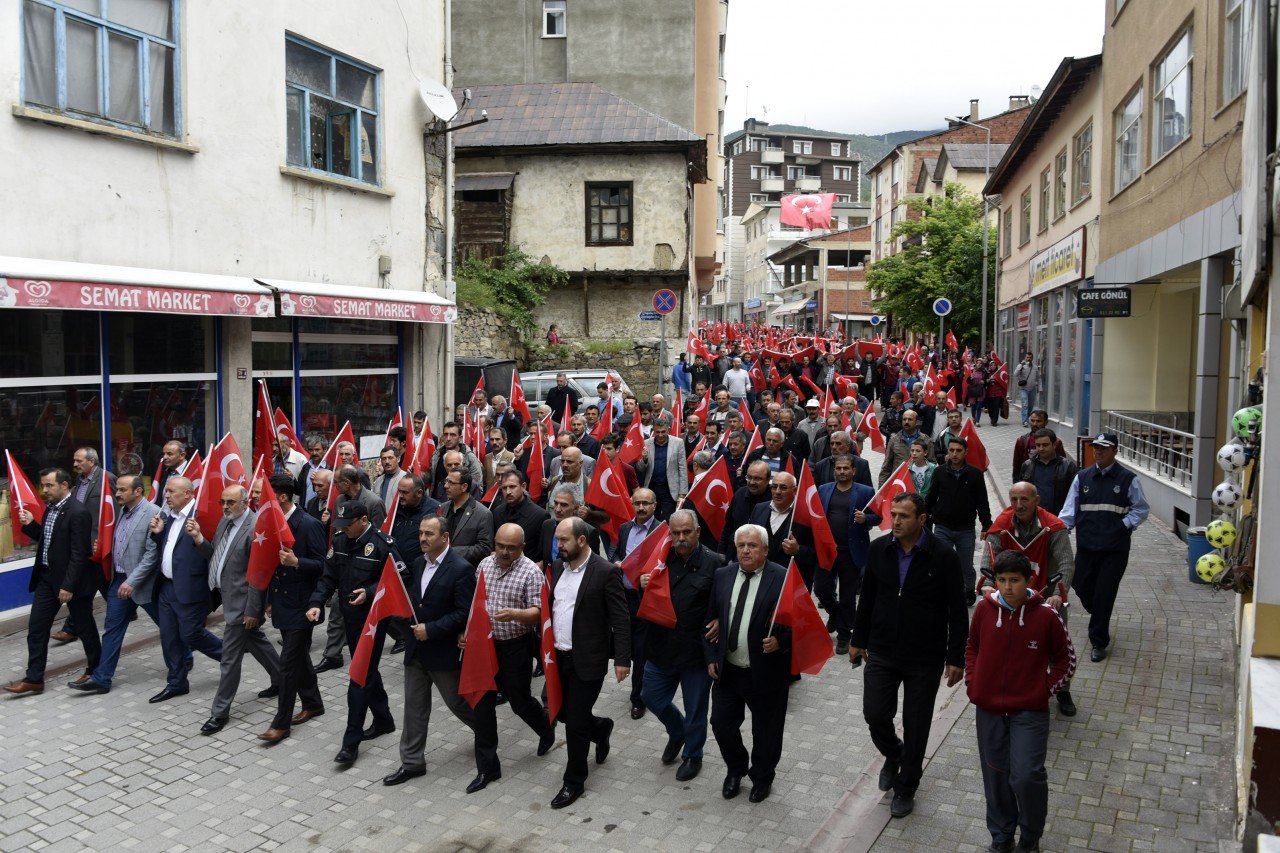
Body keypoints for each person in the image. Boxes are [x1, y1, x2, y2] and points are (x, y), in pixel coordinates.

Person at [851, 493, 967, 819]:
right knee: (874, 713)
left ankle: (906, 787)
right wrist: (858, 640)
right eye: (894, 515)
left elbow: (958, 611)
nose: (897, 521)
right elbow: (868, 598)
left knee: (917, 725)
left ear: (922, 519)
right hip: (882, 650)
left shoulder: (943, 555)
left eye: (904, 516)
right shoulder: (879, 549)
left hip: (925, 657)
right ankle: (893, 751)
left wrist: (955, 657)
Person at [966, 550, 1075, 853]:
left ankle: (1030, 837)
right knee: (996, 777)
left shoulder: (1046, 616)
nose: (1007, 587)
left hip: (1030, 711)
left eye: (1014, 580)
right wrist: (973, 683)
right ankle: (1002, 836)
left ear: (1029, 581)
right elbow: (972, 647)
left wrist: (1044, 691)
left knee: (1026, 775)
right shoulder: (985, 611)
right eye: (1001, 580)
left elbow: (1066, 660)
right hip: (988, 709)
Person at [382, 516, 484, 789]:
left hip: (442, 650)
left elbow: (465, 612)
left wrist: (433, 629)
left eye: (429, 534)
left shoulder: (461, 569)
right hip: (417, 649)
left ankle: (487, 732)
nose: (423, 538)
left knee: (457, 702)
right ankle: (412, 762)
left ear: (445, 537)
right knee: (414, 708)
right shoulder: (418, 563)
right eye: (421, 533)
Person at [458, 523, 557, 791]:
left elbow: (540, 612)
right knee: (482, 705)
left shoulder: (531, 572)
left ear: (522, 548)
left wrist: (515, 614)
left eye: (510, 548)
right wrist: (465, 632)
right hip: (484, 646)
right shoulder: (484, 566)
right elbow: (474, 604)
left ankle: (545, 727)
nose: (503, 552)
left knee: (519, 700)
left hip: (516, 645)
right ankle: (488, 768)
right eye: (500, 546)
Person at [306, 502, 400, 766]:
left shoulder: (383, 545)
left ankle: (351, 742)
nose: (343, 530)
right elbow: (328, 577)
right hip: (350, 619)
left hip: (373, 621)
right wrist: (315, 603)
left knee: (359, 676)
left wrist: (369, 592)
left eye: (348, 525)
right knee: (368, 672)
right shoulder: (340, 540)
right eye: (340, 525)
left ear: (363, 520)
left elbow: (400, 580)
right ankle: (383, 720)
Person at [547, 518, 632, 809]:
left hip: (588, 660)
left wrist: (622, 659)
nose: (558, 546)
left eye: (563, 541)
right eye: (557, 540)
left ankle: (574, 781)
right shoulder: (558, 567)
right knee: (565, 715)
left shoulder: (606, 572)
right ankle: (602, 728)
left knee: (575, 722)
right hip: (558, 658)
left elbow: (621, 618)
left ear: (581, 541)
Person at [705, 524, 791, 804]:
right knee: (720, 724)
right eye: (741, 545)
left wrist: (781, 641)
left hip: (765, 673)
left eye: (752, 546)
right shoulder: (723, 575)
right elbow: (709, 620)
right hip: (728, 671)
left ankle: (762, 777)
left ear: (766, 550)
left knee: (766, 731)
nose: (745, 550)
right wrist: (710, 657)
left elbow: (799, 622)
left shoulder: (782, 578)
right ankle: (736, 768)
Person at [979, 481, 1079, 717]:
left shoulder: (1053, 527)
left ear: (1037, 500)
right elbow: (989, 556)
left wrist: (1058, 594)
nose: (1019, 505)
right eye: (1014, 500)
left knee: (1057, 646)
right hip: (1012, 596)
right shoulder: (1002, 525)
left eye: (1024, 499)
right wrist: (988, 585)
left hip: (1046, 593)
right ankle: (1013, 686)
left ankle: (1062, 690)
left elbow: (1066, 563)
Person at [69, 475, 176, 694]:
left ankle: (183, 656)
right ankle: (102, 678)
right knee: (112, 629)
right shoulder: (119, 510)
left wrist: (132, 581)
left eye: (122, 490)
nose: (117, 493)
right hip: (119, 580)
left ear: (138, 491)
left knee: (166, 626)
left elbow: (152, 555)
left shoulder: (154, 513)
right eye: (117, 489)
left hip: (143, 583)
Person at [638, 510, 723, 781]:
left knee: (696, 709)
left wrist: (722, 619)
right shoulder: (661, 556)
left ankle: (693, 755)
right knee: (650, 696)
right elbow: (644, 587)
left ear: (698, 532)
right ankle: (678, 733)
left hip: (696, 653)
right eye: (676, 533)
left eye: (687, 532)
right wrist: (642, 583)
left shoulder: (716, 564)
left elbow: (728, 600)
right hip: (661, 647)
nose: (681, 538)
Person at [193, 485, 281, 735]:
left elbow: (258, 575)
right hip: (227, 597)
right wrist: (199, 539)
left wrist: (254, 610)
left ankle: (219, 713)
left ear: (246, 502)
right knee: (256, 641)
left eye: (230, 502)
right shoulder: (225, 522)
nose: (225, 507)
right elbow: (216, 557)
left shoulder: (255, 528)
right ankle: (283, 678)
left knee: (229, 660)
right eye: (223, 502)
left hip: (243, 605)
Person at [5, 468, 99, 696]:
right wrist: (30, 525)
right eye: (43, 485)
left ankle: (96, 670)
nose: (44, 490)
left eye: (49, 486)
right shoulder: (51, 508)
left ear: (64, 485)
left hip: (71, 582)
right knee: (36, 629)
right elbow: (50, 540)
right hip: (47, 579)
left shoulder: (78, 513)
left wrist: (68, 586)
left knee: (85, 627)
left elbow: (79, 553)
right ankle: (34, 679)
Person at [1058, 432, 1149, 662]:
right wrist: (1059, 531)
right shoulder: (1082, 477)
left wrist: (1123, 525)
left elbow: (1141, 509)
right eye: (1096, 448)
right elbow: (1069, 510)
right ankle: (1099, 612)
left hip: (1115, 550)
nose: (1098, 451)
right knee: (1079, 584)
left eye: (1104, 448)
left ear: (1115, 451)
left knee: (1104, 594)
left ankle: (1098, 641)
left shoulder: (1128, 479)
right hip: (1087, 547)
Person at [251, 476, 328, 743]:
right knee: (299, 659)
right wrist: (271, 598)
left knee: (287, 664)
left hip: (304, 606)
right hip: (283, 602)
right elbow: (271, 563)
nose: (256, 499)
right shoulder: (271, 523)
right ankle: (313, 702)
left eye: (262, 494)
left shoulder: (309, 525)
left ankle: (281, 723)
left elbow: (323, 566)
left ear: (281, 497)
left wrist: (297, 562)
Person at [147, 477, 225, 703]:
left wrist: (199, 538)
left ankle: (229, 656)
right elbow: (170, 547)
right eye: (166, 491)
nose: (167, 496)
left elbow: (215, 555)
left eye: (172, 492)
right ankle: (177, 682)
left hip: (192, 587)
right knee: (169, 636)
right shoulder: (169, 516)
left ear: (189, 494)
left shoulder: (203, 515)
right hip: (167, 587)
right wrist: (159, 533)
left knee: (190, 633)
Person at [817, 455, 879, 656]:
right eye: (839, 468)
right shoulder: (824, 489)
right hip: (827, 551)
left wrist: (866, 518)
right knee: (821, 589)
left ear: (853, 470)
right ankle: (835, 613)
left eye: (846, 468)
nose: (842, 471)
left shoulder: (865, 491)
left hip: (852, 552)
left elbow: (878, 516)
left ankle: (844, 635)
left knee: (848, 596)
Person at [925, 436, 993, 607]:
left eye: (958, 451)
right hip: (942, 526)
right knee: (941, 560)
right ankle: (942, 591)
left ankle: (969, 589)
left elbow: (982, 502)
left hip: (965, 529)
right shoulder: (939, 472)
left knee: (965, 565)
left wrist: (987, 525)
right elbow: (930, 498)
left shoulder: (975, 474)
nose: (954, 454)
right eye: (951, 450)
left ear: (965, 452)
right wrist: (923, 518)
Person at [613, 488, 661, 720]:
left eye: (646, 503)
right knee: (628, 645)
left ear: (654, 505)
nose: (641, 508)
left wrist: (651, 578)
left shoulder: (661, 531)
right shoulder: (624, 528)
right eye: (637, 503)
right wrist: (615, 562)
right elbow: (615, 552)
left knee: (641, 650)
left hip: (646, 600)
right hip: (624, 598)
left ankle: (638, 698)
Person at [749, 470, 817, 591]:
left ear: (795, 490)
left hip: (791, 584)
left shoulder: (807, 515)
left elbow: (819, 554)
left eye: (783, 487)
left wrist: (798, 550)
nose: (777, 492)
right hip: (759, 579)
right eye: (774, 487)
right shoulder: (759, 509)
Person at [1017, 428, 1078, 517]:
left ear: (1054, 445)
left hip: (1058, 518)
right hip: (1034, 518)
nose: (1041, 448)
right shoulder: (1027, 465)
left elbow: (1074, 495)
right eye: (1038, 445)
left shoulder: (1068, 466)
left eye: (1045, 445)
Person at [636, 417, 688, 522]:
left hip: (670, 489)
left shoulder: (678, 443)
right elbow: (640, 468)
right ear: (653, 431)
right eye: (657, 432)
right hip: (651, 488)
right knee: (650, 519)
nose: (660, 435)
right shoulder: (646, 443)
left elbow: (682, 467)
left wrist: (682, 492)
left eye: (663, 432)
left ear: (668, 429)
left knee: (667, 520)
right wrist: (644, 459)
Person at [440, 470, 495, 567]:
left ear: (464, 487)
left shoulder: (483, 514)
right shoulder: (442, 508)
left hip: (464, 571)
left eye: (451, 483)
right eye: (446, 481)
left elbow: (484, 548)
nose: (446, 486)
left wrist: (450, 551)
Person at [490, 470, 548, 560]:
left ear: (523, 486)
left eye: (512, 487)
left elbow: (543, 552)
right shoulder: (497, 512)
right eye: (504, 488)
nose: (508, 492)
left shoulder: (540, 515)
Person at [1010, 410, 1066, 478]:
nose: (1034, 424)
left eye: (1039, 421)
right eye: (1032, 421)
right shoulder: (1022, 441)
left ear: (1046, 422)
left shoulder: (1056, 442)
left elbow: (1063, 464)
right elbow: (1016, 465)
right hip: (1028, 479)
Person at [333, 464, 386, 534]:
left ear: (347, 483)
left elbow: (378, 534)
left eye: (336, 482)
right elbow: (337, 530)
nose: (334, 485)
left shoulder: (374, 503)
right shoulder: (339, 500)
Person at [879, 409, 923, 487]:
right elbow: (886, 466)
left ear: (916, 422)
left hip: (918, 484)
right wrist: (882, 490)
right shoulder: (894, 440)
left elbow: (931, 464)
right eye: (904, 419)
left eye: (910, 419)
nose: (906, 422)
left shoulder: (925, 440)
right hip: (898, 484)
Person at [372, 446, 405, 511]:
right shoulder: (378, 481)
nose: (387, 462)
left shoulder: (405, 478)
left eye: (390, 458)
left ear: (398, 459)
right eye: (384, 459)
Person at [1012, 354, 1040, 427]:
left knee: (1030, 405)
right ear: (1025, 358)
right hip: (1023, 389)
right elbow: (1015, 374)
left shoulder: (1035, 367)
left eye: (1030, 357)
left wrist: (1040, 388)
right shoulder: (1021, 366)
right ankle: (1025, 421)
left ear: (1032, 358)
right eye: (1027, 357)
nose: (1029, 359)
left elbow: (1038, 378)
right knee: (1025, 404)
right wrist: (1020, 366)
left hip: (1032, 389)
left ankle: (1027, 417)